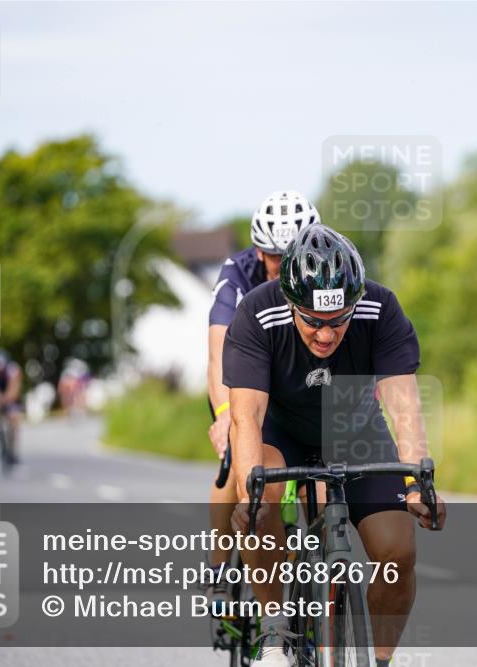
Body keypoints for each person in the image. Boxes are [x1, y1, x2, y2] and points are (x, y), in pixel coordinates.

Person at [224, 224, 447, 667]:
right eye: (313, 321)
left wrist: (419, 481)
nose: (326, 335)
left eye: (339, 320)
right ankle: (273, 630)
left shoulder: (380, 308)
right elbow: (245, 416)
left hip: (354, 430)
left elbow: (404, 405)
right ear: (290, 303)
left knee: (398, 553)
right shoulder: (256, 312)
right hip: (280, 429)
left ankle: (378, 660)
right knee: (260, 496)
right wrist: (249, 492)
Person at [206, 191, 320, 606]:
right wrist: (223, 415)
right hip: (243, 377)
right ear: (258, 251)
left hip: (300, 380)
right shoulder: (235, 275)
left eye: (293, 255)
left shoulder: (327, 265)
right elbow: (218, 355)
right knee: (235, 459)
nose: (284, 267)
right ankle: (219, 565)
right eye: (275, 257)